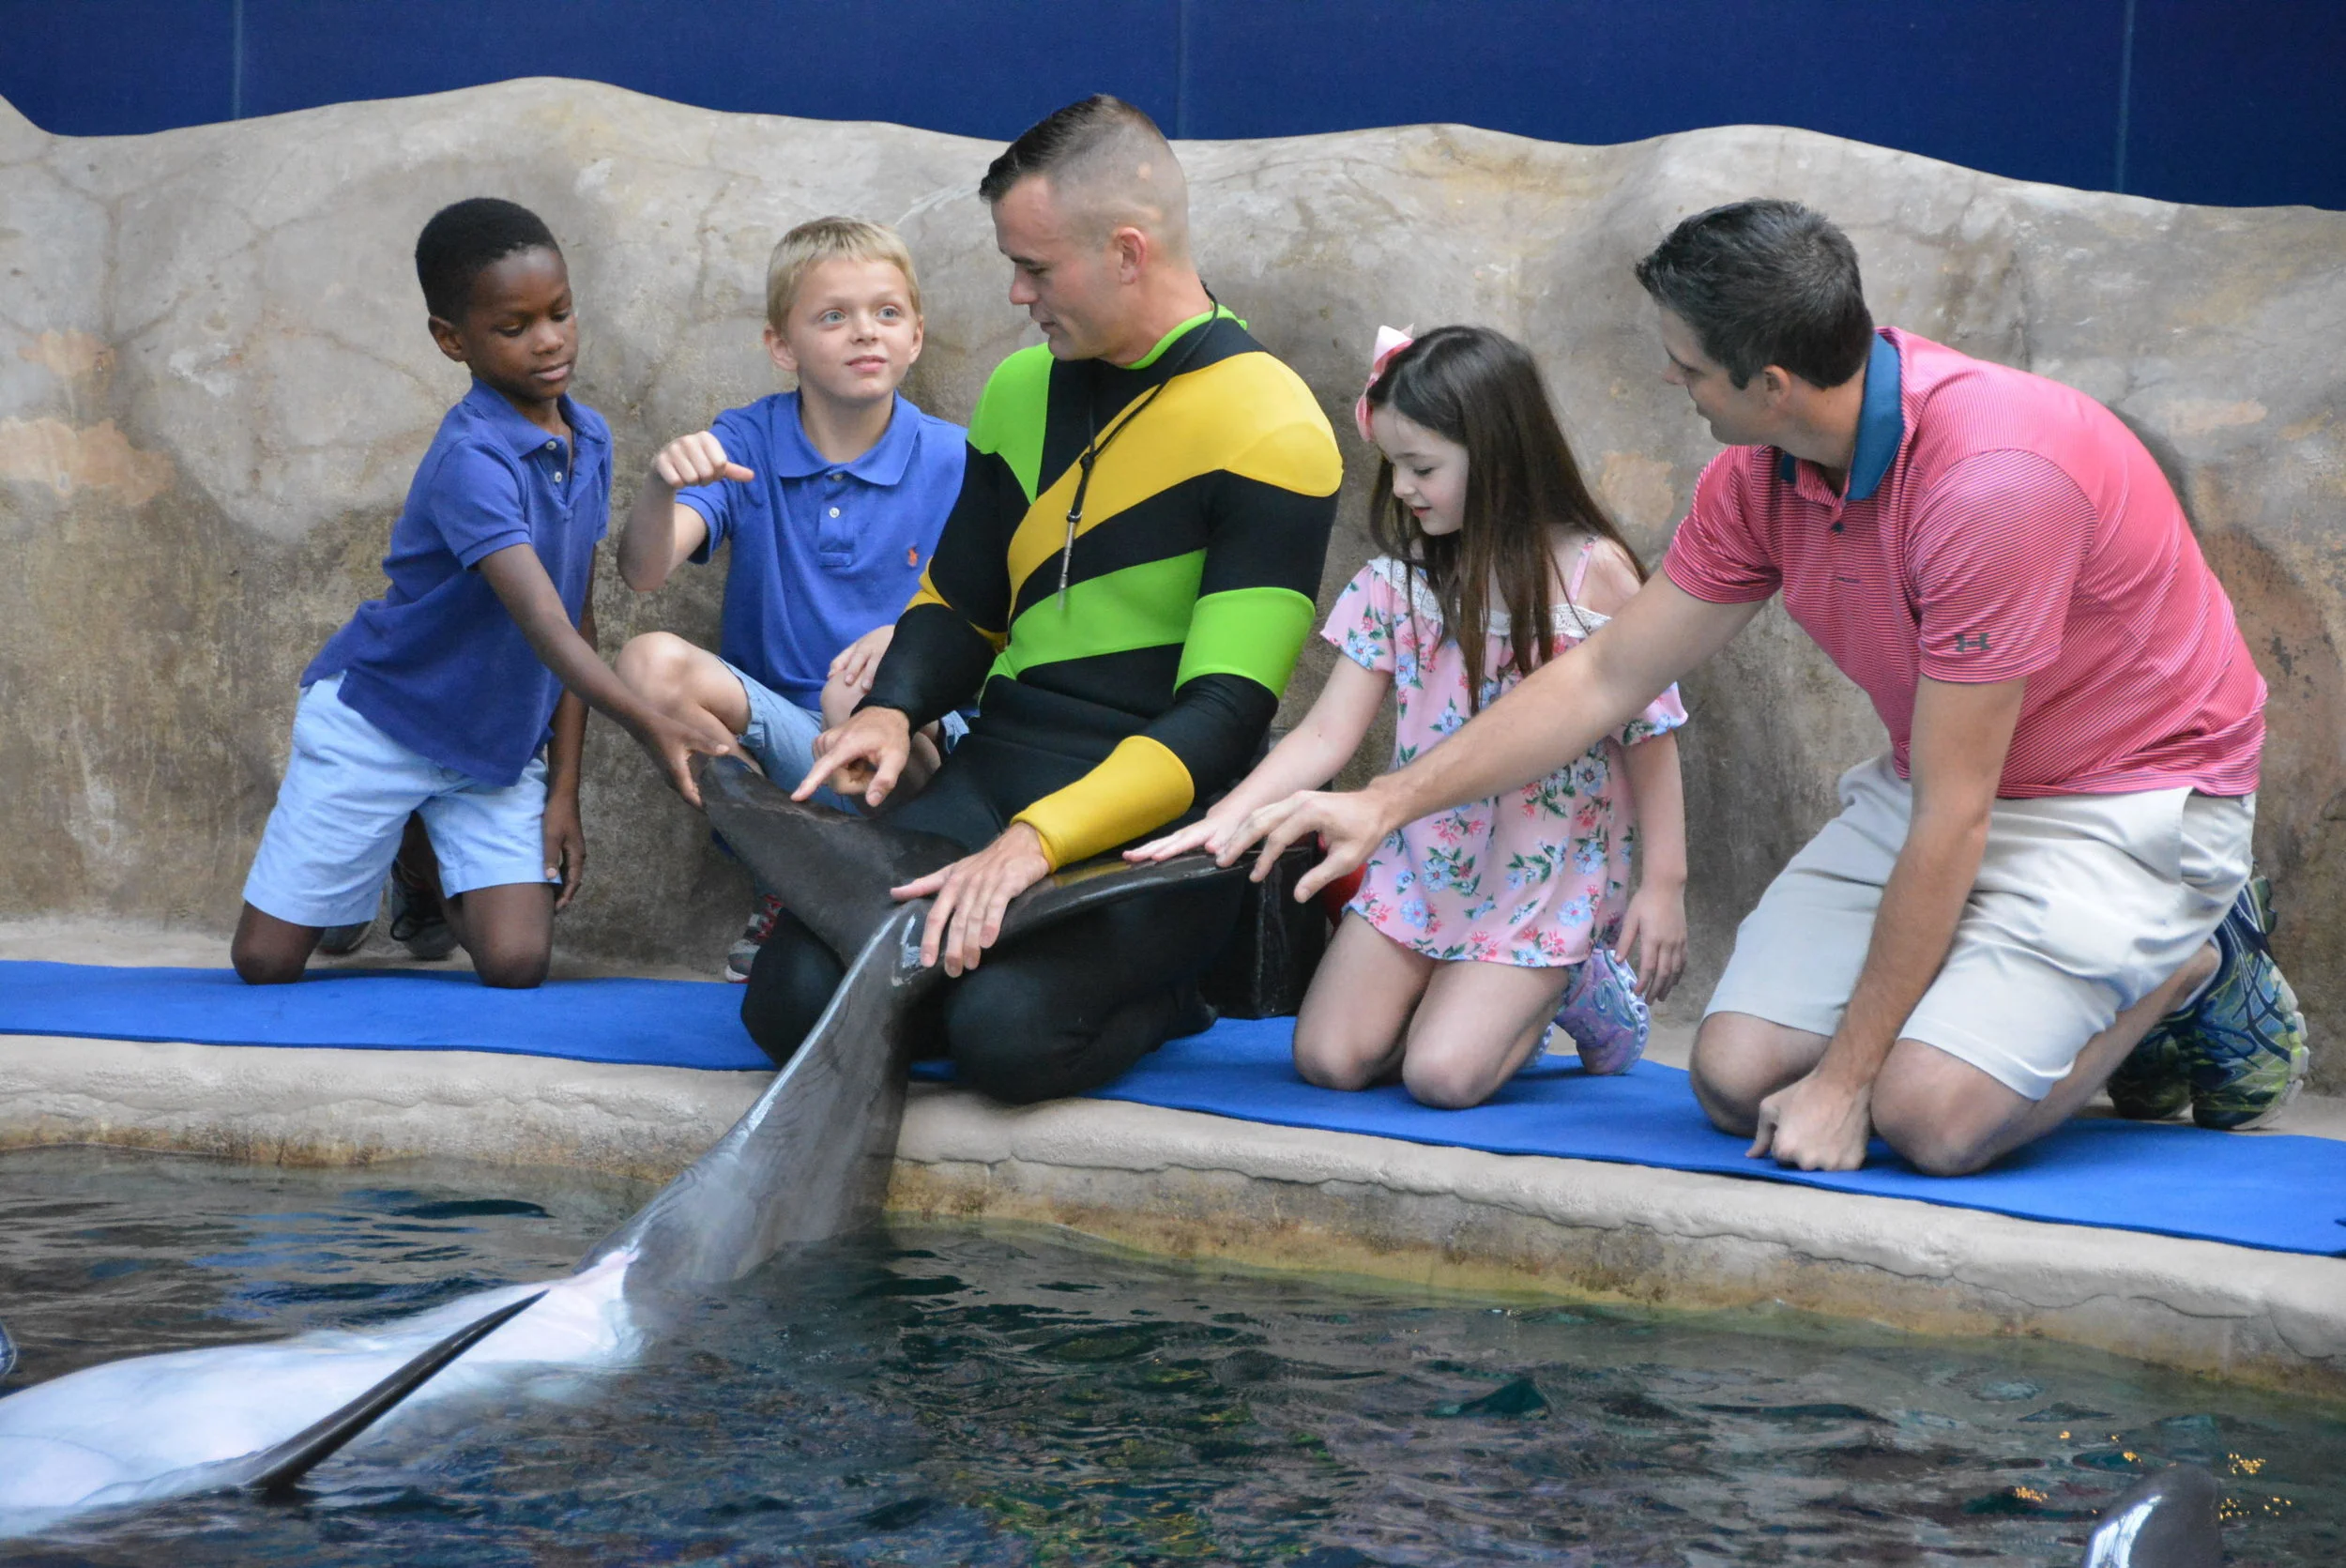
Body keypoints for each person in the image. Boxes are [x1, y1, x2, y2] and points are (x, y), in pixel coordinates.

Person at [1223, 199, 2304, 1175]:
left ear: (1770, 384)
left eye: (1687, 367)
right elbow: (1606, 672)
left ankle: (2188, 965)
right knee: (1734, 1076)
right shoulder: (1760, 474)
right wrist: (1386, 802)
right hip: (1944, 788)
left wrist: (1844, 1087)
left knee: (1928, 1120)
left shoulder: (1991, 484)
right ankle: (2020, 989)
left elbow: (1957, 808)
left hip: (2121, 801)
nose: (1672, 381)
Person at [744, 94, 1342, 1103]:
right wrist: (893, 709)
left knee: (1008, 1038)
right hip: (1000, 766)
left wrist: (1038, 845)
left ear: (1125, 251)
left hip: (1160, 814)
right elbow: (963, 602)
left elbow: (1224, 714)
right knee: (792, 1000)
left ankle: (1177, 995)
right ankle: (996, 962)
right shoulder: (1023, 390)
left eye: (1035, 267)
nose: (1017, 294)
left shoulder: (1271, 425)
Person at [1128, 325, 1689, 1108]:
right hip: (1427, 863)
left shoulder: (1593, 576)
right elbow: (1326, 733)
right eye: (1393, 465)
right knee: (1328, 1057)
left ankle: (1573, 982)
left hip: (1540, 875)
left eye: (1422, 467)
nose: (1400, 488)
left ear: (1497, 455)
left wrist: (1664, 883)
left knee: (1443, 1076)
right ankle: (1462, 992)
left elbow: (1650, 733)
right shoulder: (1399, 584)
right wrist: (1228, 814)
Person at [231, 198, 734, 988]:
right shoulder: (472, 458)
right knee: (264, 964)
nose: (549, 340)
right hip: (385, 720)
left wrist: (563, 790)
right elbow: (541, 624)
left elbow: (577, 614)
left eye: (561, 313)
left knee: (517, 963)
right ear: (451, 340)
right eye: (515, 326)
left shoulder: (589, 438)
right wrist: (648, 721)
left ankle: (423, 867)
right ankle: (397, 836)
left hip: (491, 749)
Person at [611, 217, 968, 981]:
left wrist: (910, 644)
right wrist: (660, 484)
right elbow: (642, 573)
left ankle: (869, 881)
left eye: (887, 313)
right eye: (833, 316)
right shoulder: (748, 439)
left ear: (915, 336)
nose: (864, 334)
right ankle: (788, 870)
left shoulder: (953, 457)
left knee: (853, 696)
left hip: (906, 732)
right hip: (782, 735)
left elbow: (1003, 609)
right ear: (783, 346)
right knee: (645, 664)